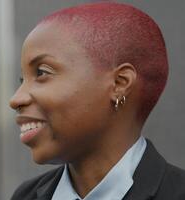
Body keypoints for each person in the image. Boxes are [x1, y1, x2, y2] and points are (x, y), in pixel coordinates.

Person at [9, 2, 185, 200]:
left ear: (119, 83)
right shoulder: (26, 196)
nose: (16, 99)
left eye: (42, 72)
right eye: (23, 80)